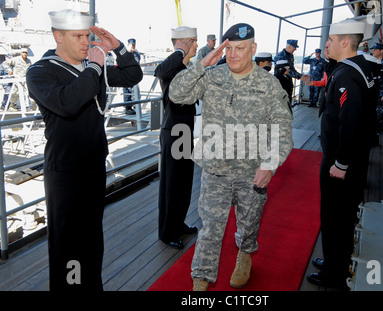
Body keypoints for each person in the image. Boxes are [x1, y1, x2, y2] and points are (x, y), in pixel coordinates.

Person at [169, 23, 293, 291]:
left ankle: (245, 254)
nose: (234, 54)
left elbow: (282, 127)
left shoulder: (268, 84)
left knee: (249, 224)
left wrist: (270, 164)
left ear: (253, 49)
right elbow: (176, 94)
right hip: (215, 169)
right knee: (210, 228)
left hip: (252, 172)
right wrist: (201, 64)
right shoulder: (211, 75)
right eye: (229, 48)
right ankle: (201, 277)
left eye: (240, 48)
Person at [26, 9, 143, 291]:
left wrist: (117, 47)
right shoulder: (41, 71)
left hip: (92, 166)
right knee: (68, 244)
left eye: (86, 36)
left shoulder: (89, 67)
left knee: (90, 238)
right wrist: (94, 67)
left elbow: (133, 76)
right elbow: (68, 102)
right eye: (77, 36)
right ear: (58, 37)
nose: (85, 42)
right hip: (66, 171)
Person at [306, 19, 377, 290]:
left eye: (331, 40)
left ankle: (334, 275)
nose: (327, 44)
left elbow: (351, 122)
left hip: (341, 162)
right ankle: (336, 260)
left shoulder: (347, 76)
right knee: (341, 215)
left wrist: (341, 162)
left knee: (335, 216)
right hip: (349, 159)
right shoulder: (360, 68)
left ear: (345, 42)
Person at [154, 26, 199, 250]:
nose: (197, 46)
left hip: (186, 129)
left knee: (184, 180)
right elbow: (161, 72)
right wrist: (181, 51)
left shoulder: (187, 66)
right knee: (172, 183)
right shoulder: (172, 64)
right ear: (184, 42)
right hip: (173, 130)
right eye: (194, 41)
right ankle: (167, 232)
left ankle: (178, 223)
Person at [274, 40, 303, 106]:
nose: (295, 49)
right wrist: (300, 77)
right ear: (289, 46)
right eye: (294, 47)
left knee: (288, 100)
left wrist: (300, 75)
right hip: (281, 82)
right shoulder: (280, 56)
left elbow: (292, 68)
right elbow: (285, 71)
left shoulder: (290, 55)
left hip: (288, 80)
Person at [123, 38, 140, 115]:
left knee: (135, 92)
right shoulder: (124, 53)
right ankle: (128, 108)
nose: (132, 47)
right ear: (128, 45)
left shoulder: (136, 54)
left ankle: (135, 107)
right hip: (126, 76)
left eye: (133, 45)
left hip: (134, 76)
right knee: (127, 92)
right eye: (131, 45)